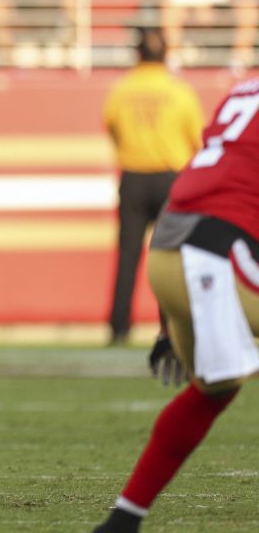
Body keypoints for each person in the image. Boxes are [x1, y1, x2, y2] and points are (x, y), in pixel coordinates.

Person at [92, 76, 259, 533]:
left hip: (169, 251)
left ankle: (123, 520)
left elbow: (204, 178)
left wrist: (168, 324)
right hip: (215, 255)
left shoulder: (244, 90)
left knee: (214, 390)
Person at [102, 27, 203, 345]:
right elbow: (197, 140)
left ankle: (119, 327)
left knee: (128, 256)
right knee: (171, 259)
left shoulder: (121, 89)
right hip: (171, 180)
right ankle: (171, 328)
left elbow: (112, 128)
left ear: (137, 54)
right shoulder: (179, 91)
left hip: (132, 177)